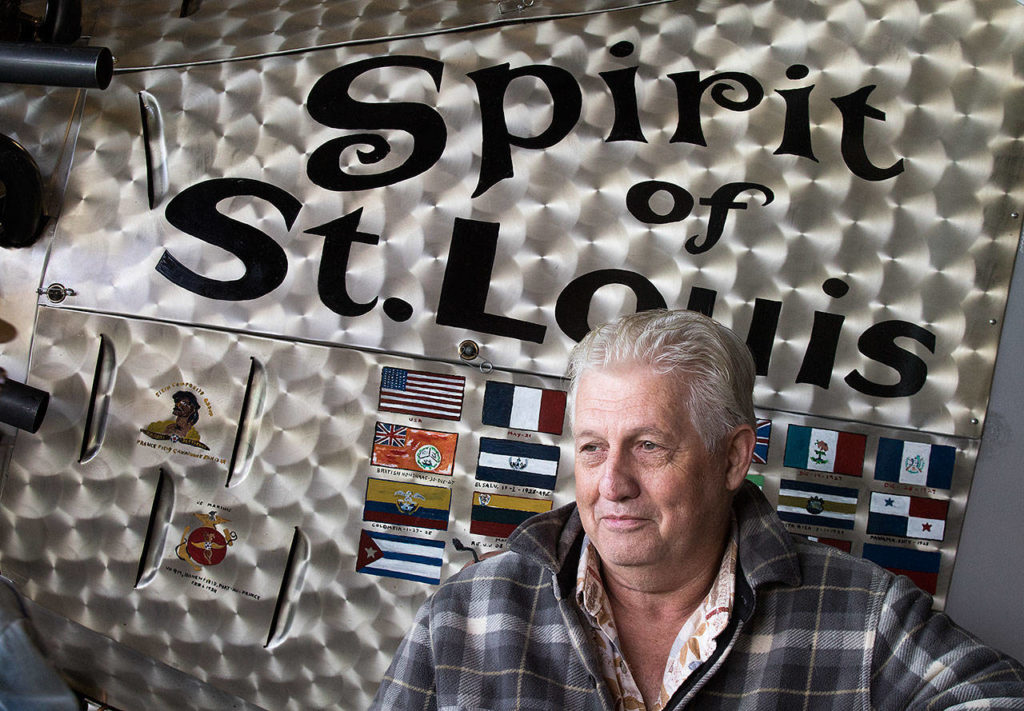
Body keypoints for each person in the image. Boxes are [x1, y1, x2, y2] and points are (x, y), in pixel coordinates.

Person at [372, 309, 1024, 710]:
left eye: (649, 445)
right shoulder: (472, 609)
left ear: (734, 457)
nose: (612, 483)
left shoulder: (862, 617)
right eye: (594, 447)